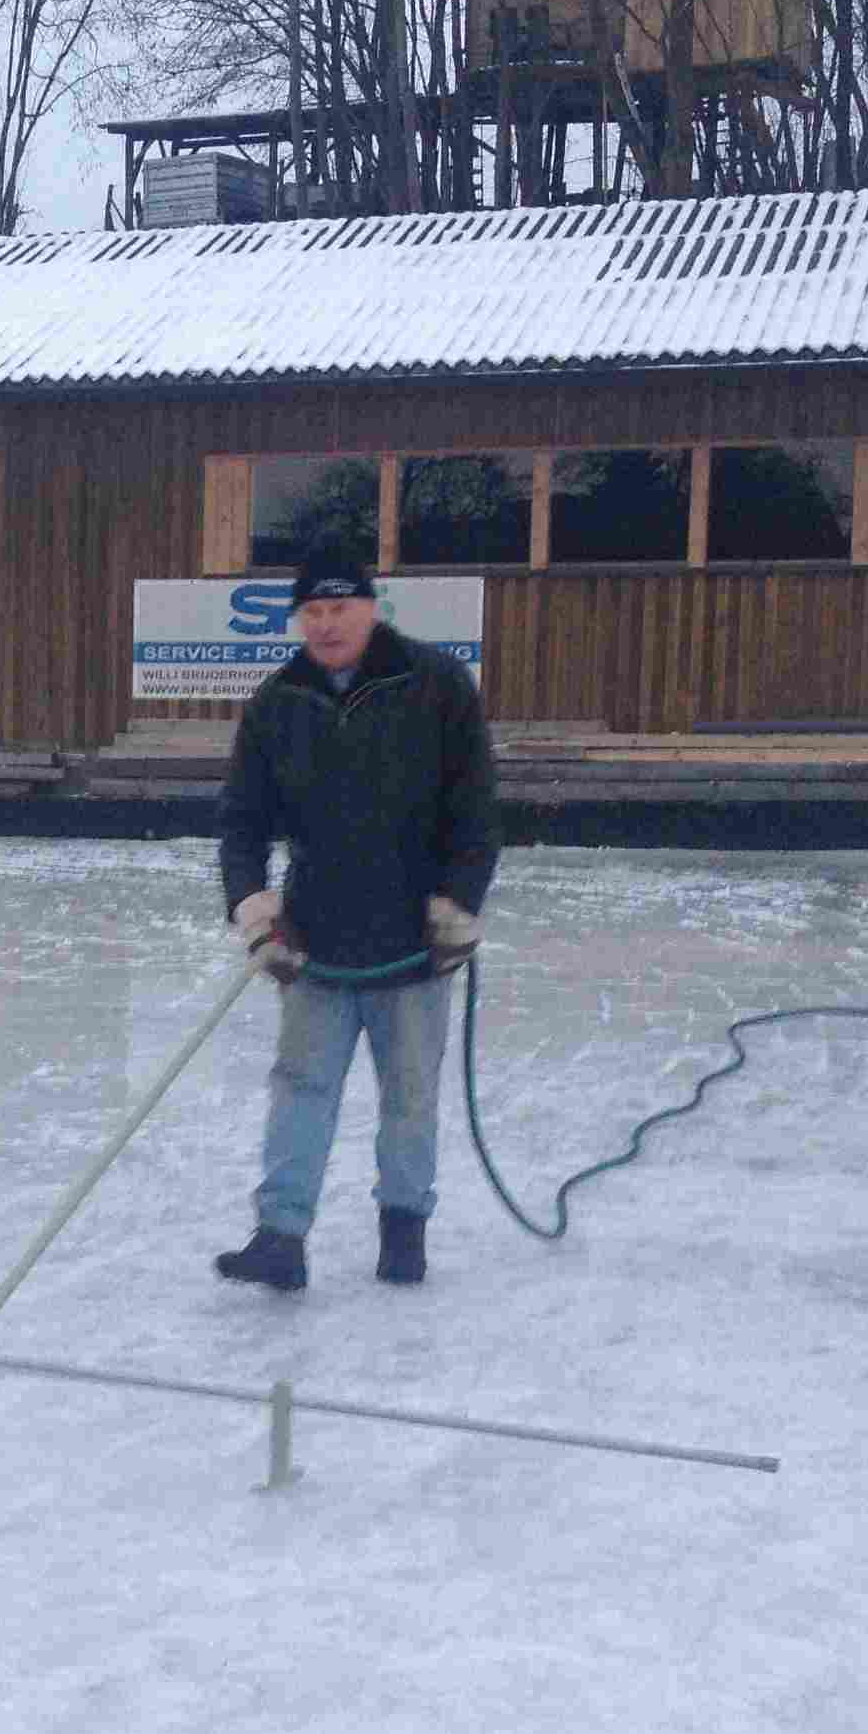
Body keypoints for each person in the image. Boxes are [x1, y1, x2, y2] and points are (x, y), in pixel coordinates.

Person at [214, 549, 502, 1291]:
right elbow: (243, 821)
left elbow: (474, 809)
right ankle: (281, 1237)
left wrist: (459, 902)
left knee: (408, 1094)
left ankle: (403, 1232)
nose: (326, 623)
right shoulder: (278, 701)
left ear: (372, 608)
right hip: (316, 940)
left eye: (340, 608)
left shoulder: (435, 685)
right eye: (312, 611)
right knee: (300, 1087)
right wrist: (255, 909)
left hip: (414, 942)